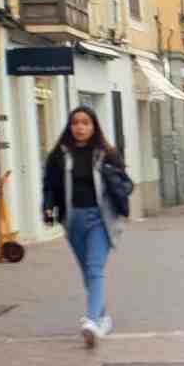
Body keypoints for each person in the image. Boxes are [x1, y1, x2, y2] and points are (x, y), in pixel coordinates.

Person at [41, 107, 127, 348]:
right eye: (76, 123)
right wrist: (48, 208)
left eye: (85, 123)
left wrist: (119, 192)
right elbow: (49, 185)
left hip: (100, 219)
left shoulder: (105, 154)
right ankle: (102, 317)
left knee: (95, 268)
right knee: (87, 272)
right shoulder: (59, 155)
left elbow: (124, 182)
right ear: (70, 127)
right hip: (73, 220)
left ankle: (90, 320)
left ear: (94, 126)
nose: (80, 127)